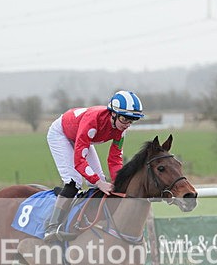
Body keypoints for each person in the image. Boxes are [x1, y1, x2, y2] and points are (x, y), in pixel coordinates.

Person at [43, 90, 144, 241]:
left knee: (99, 181)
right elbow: (79, 160)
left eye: (131, 121)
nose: (127, 125)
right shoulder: (93, 121)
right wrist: (98, 182)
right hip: (61, 134)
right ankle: (51, 227)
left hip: (81, 137)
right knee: (74, 181)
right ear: (113, 114)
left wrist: (119, 183)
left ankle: (88, 219)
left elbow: (115, 159)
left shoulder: (121, 130)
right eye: (124, 119)